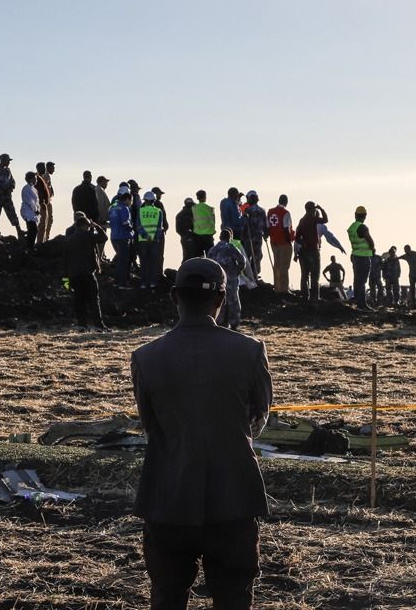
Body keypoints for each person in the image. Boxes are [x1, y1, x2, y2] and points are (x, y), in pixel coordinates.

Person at [131, 257, 272, 609]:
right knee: (234, 598)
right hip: (234, 499)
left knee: (166, 597)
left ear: (174, 297)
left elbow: (150, 426)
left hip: (167, 498)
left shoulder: (146, 357)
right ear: (221, 299)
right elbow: (258, 421)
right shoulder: (250, 350)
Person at [64, 212, 109, 330]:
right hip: (88, 273)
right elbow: (104, 237)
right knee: (94, 300)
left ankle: (81, 324)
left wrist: (66, 281)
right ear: (85, 225)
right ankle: (98, 325)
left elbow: (65, 260)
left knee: (79, 300)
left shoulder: (69, 239)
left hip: (74, 274)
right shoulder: (88, 236)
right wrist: (96, 226)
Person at [207, 230, 247, 330]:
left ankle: (219, 323)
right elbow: (242, 261)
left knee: (219, 302)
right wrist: (236, 271)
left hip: (218, 281)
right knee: (233, 303)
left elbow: (208, 264)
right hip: (231, 281)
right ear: (230, 238)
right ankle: (234, 324)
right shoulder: (231, 248)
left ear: (220, 237)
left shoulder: (212, 250)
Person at [294, 201, 328, 302]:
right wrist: (321, 209)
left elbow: (296, 237)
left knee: (304, 276)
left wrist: (303, 243)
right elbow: (326, 219)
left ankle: (305, 297)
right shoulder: (313, 219)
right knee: (315, 276)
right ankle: (315, 298)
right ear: (312, 209)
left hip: (304, 252)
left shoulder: (302, 220)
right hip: (313, 251)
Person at [347, 206, 375, 309]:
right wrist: (373, 249)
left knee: (357, 280)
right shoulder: (362, 227)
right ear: (365, 216)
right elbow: (370, 242)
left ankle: (358, 300)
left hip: (355, 255)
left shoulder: (352, 227)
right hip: (364, 257)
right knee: (362, 281)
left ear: (355, 215)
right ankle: (362, 304)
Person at [266, 195, 294, 293]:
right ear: (286, 202)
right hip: (284, 242)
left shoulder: (270, 212)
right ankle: (284, 288)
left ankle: (277, 287)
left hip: (274, 242)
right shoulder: (285, 213)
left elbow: (268, 227)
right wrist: (289, 241)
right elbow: (286, 228)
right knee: (284, 266)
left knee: (277, 265)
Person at [137, 191, 165, 289]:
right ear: (153, 200)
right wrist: (154, 237)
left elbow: (138, 226)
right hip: (154, 240)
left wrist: (145, 235)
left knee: (143, 262)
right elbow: (159, 227)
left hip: (142, 240)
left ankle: (143, 283)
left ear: (145, 200)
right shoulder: (158, 211)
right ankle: (153, 282)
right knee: (153, 262)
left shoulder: (140, 211)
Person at [110, 193, 136, 288]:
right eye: (131, 200)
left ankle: (117, 281)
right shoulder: (124, 208)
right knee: (124, 260)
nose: (131, 203)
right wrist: (132, 230)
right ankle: (122, 283)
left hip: (114, 236)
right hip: (123, 237)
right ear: (127, 199)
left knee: (120, 260)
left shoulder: (113, 208)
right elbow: (125, 223)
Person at [242, 191, 267, 278]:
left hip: (249, 238)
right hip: (258, 238)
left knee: (247, 257)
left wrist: (242, 237)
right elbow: (265, 225)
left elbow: (244, 225)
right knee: (257, 257)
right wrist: (266, 234)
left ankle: (248, 276)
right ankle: (255, 275)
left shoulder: (248, 210)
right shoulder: (262, 211)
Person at [35, 161, 57, 243]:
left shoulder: (46, 176)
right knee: (43, 222)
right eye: (52, 168)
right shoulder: (42, 176)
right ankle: (41, 241)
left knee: (48, 221)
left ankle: (45, 239)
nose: (53, 170)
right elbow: (41, 190)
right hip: (43, 202)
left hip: (47, 201)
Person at [192, 190, 217, 258]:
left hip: (197, 235)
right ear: (205, 197)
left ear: (197, 198)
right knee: (210, 257)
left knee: (198, 258)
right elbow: (213, 221)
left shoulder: (194, 208)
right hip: (208, 236)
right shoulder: (210, 209)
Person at [20, 171, 41, 249]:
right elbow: (30, 201)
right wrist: (35, 210)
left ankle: (29, 245)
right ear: (30, 179)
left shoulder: (34, 189)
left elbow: (36, 201)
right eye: (35, 179)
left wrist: (37, 209)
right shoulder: (26, 189)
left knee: (32, 230)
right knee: (33, 230)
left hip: (32, 213)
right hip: (28, 212)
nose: (36, 180)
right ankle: (29, 247)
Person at [175, 197, 197, 262]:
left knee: (186, 256)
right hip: (194, 238)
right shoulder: (195, 213)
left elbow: (177, 230)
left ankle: (184, 268)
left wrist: (184, 235)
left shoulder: (179, 215)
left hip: (184, 238)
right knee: (194, 257)